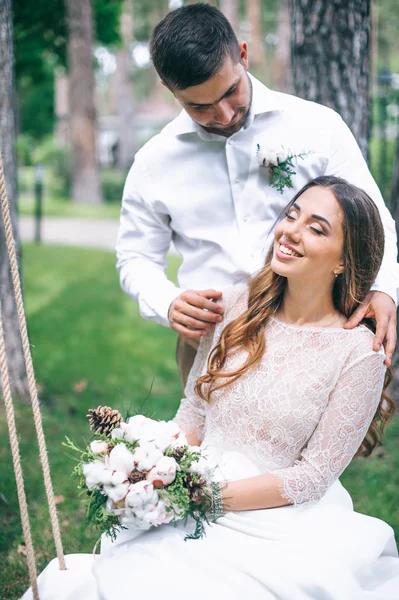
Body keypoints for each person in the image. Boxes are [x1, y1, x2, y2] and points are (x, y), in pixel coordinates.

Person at [94, 176, 399, 599]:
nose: (291, 231)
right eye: (292, 215)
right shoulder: (236, 306)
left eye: (316, 227)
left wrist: (203, 498)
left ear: (344, 261)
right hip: (193, 484)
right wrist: (150, 467)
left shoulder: (359, 354)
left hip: (278, 521)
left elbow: (313, 476)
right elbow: (194, 412)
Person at [116, 3, 398, 391]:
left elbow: (372, 218)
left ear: (243, 55)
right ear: (168, 89)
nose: (224, 113)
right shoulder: (153, 162)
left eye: (230, 91)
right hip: (211, 343)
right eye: (199, 105)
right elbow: (135, 257)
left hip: (315, 336)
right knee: (201, 452)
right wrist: (166, 300)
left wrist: (384, 288)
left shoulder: (317, 126)